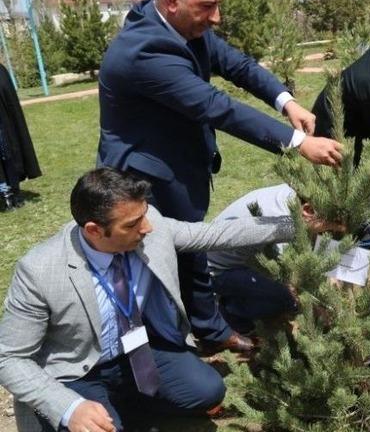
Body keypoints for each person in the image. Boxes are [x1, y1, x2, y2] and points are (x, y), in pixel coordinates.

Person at [97, 0, 344, 355]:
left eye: (218, 4)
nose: (216, 18)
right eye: (207, 7)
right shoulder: (142, 52)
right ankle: (164, 355)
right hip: (147, 175)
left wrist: (286, 103)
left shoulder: (180, 24)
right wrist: (298, 143)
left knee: (192, 247)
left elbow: (238, 66)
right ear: (173, 0)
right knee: (155, 262)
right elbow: (216, 106)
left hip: (181, 163)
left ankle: (210, 330)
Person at [0, 168, 342, 432]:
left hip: (136, 351)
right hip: (78, 369)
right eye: (133, 224)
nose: (147, 228)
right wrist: (69, 407)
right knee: (95, 423)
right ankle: (98, 409)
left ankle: (128, 406)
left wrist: (299, 224)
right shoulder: (41, 270)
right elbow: (8, 358)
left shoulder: (151, 225)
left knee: (207, 390)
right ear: (94, 230)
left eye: (145, 215)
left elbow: (216, 234)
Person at [207, 184, 300, 335]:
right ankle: (231, 313)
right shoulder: (281, 223)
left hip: (246, 260)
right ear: (309, 210)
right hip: (216, 271)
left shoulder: (298, 191)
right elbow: (293, 283)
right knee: (289, 298)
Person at [0, 63, 40, 211]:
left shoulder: (1, 71)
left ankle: (13, 191)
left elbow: (8, 97)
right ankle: (5, 193)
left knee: (8, 155)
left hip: (3, 126)